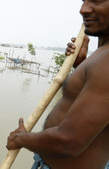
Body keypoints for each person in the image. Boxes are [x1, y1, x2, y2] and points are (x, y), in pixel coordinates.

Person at [6, 1, 109, 169]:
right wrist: (81, 65)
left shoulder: (106, 61)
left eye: (96, 0)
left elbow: (68, 141)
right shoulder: (102, 56)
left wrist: (20, 138)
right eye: (83, 1)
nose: (83, 9)